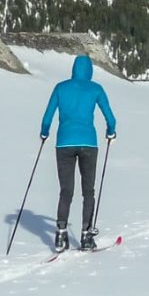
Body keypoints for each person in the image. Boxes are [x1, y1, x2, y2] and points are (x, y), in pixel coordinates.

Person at [40, 55, 117, 252]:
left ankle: (60, 234)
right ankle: (86, 236)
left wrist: (44, 131)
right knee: (88, 191)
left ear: (73, 69)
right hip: (89, 144)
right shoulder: (95, 89)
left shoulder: (61, 87)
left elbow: (48, 114)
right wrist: (110, 131)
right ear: (90, 70)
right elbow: (110, 117)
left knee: (66, 191)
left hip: (64, 143)